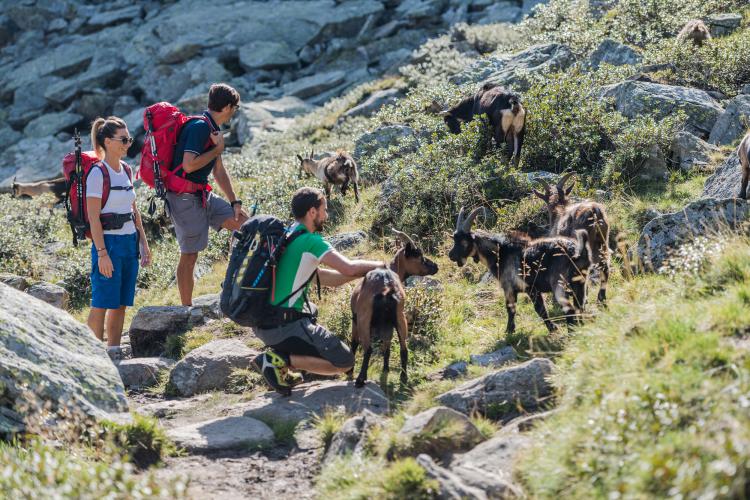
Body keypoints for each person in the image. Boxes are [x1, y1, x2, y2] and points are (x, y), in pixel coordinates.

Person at [252, 187, 384, 395]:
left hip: (264, 322)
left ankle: (286, 361)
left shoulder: (288, 236)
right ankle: (279, 361)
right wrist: (382, 265)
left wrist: (362, 274)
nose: (326, 215)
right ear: (312, 212)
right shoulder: (310, 241)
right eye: (324, 210)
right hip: (284, 324)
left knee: (311, 309)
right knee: (345, 361)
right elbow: (347, 267)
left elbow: (324, 278)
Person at [168, 83, 248, 306]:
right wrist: (217, 149)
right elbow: (189, 165)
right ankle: (186, 309)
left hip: (202, 195)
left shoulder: (212, 130)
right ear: (227, 107)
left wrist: (234, 201)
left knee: (246, 225)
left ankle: (238, 285)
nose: (235, 112)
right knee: (190, 254)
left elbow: (219, 170)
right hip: (183, 199)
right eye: (235, 108)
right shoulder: (200, 128)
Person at [86, 116, 151, 361]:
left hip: (129, 242)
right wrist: (102, 253)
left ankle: (113, 350)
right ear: (107, 141)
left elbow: (134, 211)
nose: (128, 143)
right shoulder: (97, 173)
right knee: (102, 300)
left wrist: (143, 243)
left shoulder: (126, 170)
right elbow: (94, 219)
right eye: (123, 139)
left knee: (121, 301)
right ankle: (93, 353)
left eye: (129, 139)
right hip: (109, 244)